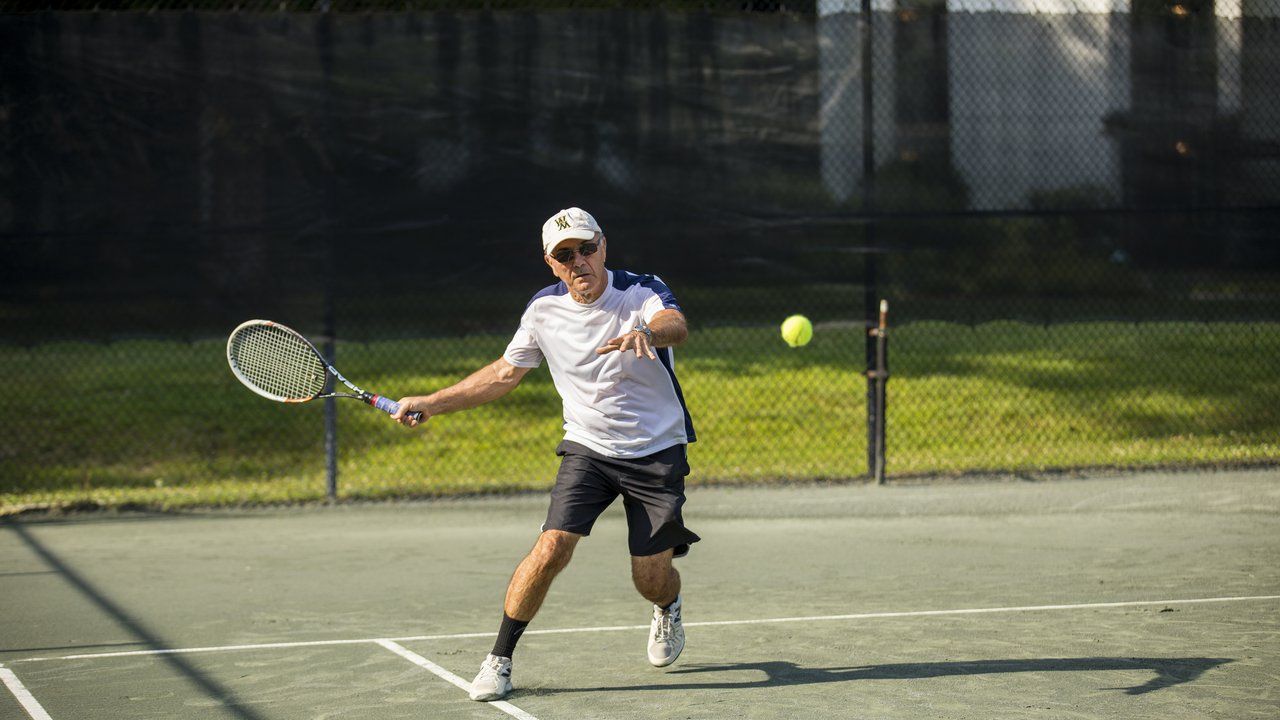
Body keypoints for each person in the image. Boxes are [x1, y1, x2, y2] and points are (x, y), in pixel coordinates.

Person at [391, 207, 700, 702]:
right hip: (588, 449)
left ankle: (668, 605)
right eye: (565, 255)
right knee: (551, 547)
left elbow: (675, 324)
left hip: (655, 452)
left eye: (586, 248)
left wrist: (650, 333)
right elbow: (502, 375)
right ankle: (500, 659)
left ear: (604, 246)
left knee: (651, 579)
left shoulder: (640, 291)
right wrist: (430, 404)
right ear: (551, 264)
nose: (579, 261)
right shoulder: (542, 311)